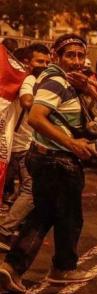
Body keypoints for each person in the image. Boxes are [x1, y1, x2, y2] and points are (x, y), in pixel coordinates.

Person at [0, 34, 97, 293]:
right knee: (70, 218)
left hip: (55, 160)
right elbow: (36, 118)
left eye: (80, 55)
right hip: (56, 161)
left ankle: (12, 268)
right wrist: (73, 145)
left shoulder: (70, 82)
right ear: (57, 57)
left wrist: (88, 89)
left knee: (44, 215)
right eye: (70, 56)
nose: (77, 61)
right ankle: (62, 269)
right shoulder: (55, 81)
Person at [0, 43, 50, 250]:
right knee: (32, 188)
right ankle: (4, 231)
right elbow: (27, 102)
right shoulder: (28, 79)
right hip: (21, 145)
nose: (44, 65)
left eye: (47, 62)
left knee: (21, 188)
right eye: (40, 61)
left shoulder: (36, 79)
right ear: (28, 62)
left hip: (23, 144)